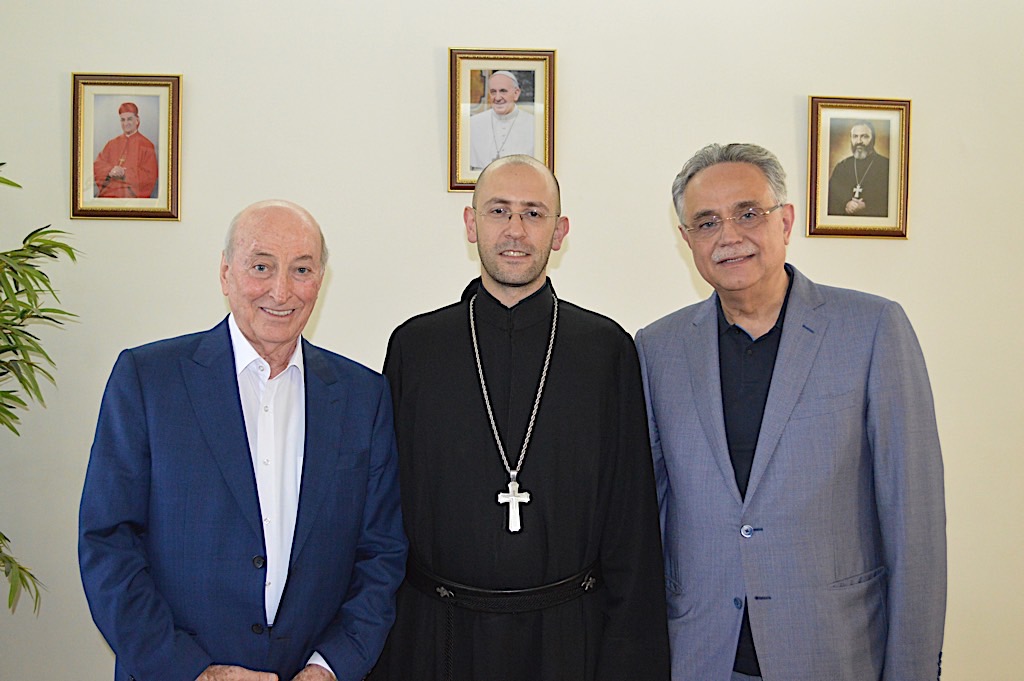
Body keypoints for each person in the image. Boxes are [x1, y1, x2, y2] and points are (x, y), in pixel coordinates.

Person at [635, 143, 946, 681]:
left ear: (785, 221)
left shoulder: (872, 329)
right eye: (707, 222)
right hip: (701, 655)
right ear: (687, 240)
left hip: (832, 652)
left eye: (747, 214)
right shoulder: (657, 348)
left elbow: (913, 524)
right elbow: (650, 514)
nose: (729, 236)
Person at [79, 200, 407, 681]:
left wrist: (330, 667)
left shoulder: (363, 396)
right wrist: (193, 672)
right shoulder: (149, 380)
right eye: (261, 267)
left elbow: (381, 553)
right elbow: (108, 543)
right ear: (225, 273)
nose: (281, 290)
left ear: (321, 280)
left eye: (301, 269)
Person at [370, 155, 670, 681]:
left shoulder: (605, 351)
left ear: (560, 231)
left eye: (534, 213)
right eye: (498, 211)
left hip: (569, 640)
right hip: (437, 636)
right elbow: (382, 510)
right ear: (471, 224)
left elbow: (633, 524)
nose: (515, 229)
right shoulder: (416, 348)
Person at [469, 71, 536, 170]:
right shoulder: (473, 124)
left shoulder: (534, 124)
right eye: (493, 92)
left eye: (503, 91)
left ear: (516, 93)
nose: (497, 98)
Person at [93, 102, 159, 199]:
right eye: (122, 120)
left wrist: (125, 173)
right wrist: (110, 170)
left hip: (132, 199)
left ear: (137, 120)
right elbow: (98, 165)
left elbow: (150, 176)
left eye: (129, 119)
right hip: (109, 196)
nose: (125, 123)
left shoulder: (147, 145)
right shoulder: (111, 144)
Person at [826, 120, 890, 217]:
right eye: (855, 136)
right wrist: (846, 204)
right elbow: (830, 198)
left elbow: (890, 201)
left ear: (873, 139)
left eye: (864, 136)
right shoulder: (842, 167)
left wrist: (867, 206)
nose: (859, 141)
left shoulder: (886, 166)